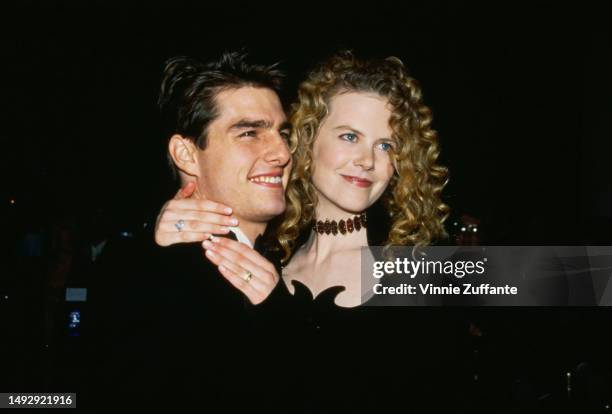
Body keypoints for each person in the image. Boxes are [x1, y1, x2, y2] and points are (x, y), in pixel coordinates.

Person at [155, 51, 469, 413]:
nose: (368, 160)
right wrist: (164, 233)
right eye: (350, 136)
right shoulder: (266, 260)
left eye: (386, 146)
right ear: (305, 141)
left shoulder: (429, 269)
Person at [86, 51, 292, 411]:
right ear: (186, 154)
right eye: (248, 133)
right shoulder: (145, 275)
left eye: (282, 133)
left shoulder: (298, 252)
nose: (282, 152)